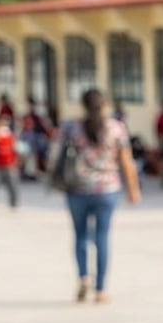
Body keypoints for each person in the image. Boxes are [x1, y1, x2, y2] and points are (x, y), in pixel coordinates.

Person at [49, 87, 140, 303]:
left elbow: (54, 155)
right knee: (102, 237)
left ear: (83, 105)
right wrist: (133, 189)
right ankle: (100, 289)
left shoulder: (70, 127)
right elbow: (126, 161)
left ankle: (83, 277)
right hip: (107, 190)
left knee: (80, 235)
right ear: (104, 105)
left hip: (77, 189)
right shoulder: (116, 128)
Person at [0, 114, 18, 208]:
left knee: (12, 185)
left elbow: (14, 149)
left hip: (9, 164)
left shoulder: (9, 136)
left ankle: (13, 202)